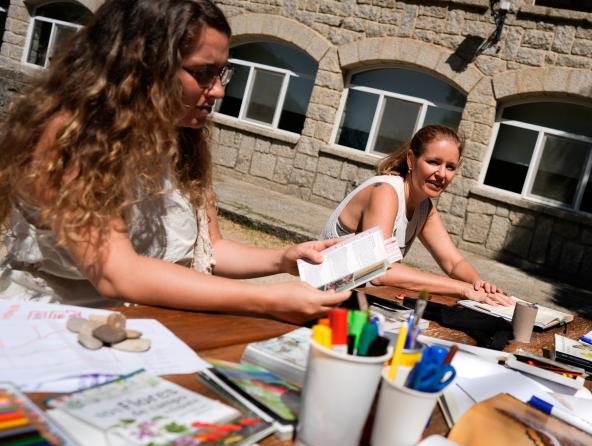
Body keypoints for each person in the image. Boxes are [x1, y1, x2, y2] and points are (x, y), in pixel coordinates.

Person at [0, 0, 349, 322]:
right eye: (202, 73)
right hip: (54, 326)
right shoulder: (75, 136)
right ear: (142, 66)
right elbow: (116, 273)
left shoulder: (177, 137)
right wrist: (268, 300)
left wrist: (284, 260)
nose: (218, 90)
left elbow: (213, 249)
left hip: (141, 326)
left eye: (222, 73)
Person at [321, 125, 511, 305]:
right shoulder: (385, 192)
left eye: (450, 167)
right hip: (320, 300)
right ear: (411, 159)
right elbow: (380, 271)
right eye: (433, 162)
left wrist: (480, 286)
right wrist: (463, 289)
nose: (442, 174)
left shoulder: (424, 207)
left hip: (357, 302)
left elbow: (454, 262)